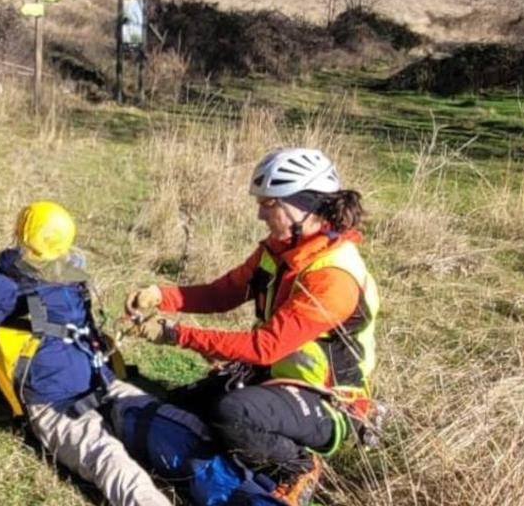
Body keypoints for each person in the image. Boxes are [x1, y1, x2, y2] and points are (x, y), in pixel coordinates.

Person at [126, 148, 382, 506]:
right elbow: (224, 292)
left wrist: (175, 334)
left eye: (270, 204)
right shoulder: (280, 251)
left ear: (305, 206)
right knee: (185, 406)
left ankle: (297, 466)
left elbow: (265, 346)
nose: (260, 213)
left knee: (233, 414)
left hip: (328, 401)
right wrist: (162, 295)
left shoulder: (333, 275)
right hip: (275, 376)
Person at [0, 201, 171, 506]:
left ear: (20, 232)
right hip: (54, 403)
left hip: (102, 381)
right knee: (112, 461)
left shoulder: (73, 275)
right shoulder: (1, 285)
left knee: (176, 428)